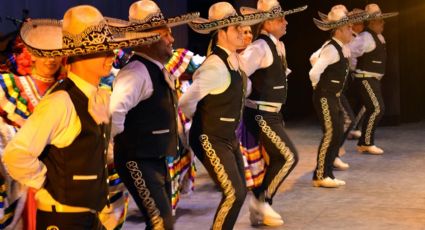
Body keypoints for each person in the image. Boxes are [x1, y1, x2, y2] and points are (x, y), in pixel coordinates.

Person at [2, 5, 159, 229]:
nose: (111, 55)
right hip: (63, 219)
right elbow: (16, 154)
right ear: (81, 54)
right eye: (103, 50)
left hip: (89, 216)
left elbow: (95, 157)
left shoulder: (100, 97)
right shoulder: (60, 102)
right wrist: (47, 183)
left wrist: (102, 206)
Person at [109, 1, 199, 229]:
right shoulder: (136, 72)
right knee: (161, 222)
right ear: (148, 40)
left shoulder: (155, 68)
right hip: (137, 159)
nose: (172, 39)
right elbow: (114, 112)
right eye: (165, 34)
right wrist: (119, 145)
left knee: (162, 221)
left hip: (152, 158)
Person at [179, 2, 266, 229]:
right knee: (233, 193)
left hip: (227, 136)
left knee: (238, 192)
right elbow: (186, 102)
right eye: (236, 28)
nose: (241, 32)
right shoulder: (215, 66)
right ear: (222, 32)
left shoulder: (234, 59)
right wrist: (204, 122)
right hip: (210, 137)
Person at [238, 0, 306, 226]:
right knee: (288, 156)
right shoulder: (259, 47)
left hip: (272, 114)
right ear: (267, 22)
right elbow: (239, 75)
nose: (285, 22)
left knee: (276, 159)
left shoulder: (278, 45)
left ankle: (261, 205)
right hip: (260, 114)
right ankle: (261, 201)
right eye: (280, 18)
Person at [0, 45, 63, 229]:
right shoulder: (11, 85)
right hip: (18, 178)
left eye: (56, 55)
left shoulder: (66, 91)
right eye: (45, 53)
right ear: (32, 56)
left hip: (56, 178)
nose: (51, 60)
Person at [309, 5, 367, 188]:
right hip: (325, 96)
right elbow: (314, 71)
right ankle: (320, 175)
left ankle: (328, 173)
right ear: (340, 29)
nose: (352, 30)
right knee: (330, 133)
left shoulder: (342, 47)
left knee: (338, 132)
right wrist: (319, 88)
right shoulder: (332, 48)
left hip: (333, 96)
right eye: (349, 27)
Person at [349, 3, 398, 155]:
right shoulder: (365, 38)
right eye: (380, 20)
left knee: (371, 107)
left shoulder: (379, 37)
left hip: (373, 79)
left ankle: (360, 135)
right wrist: (353, 69)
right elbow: (350, 52)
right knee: (377, 108)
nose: (383, 23)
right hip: (365, 78)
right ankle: (365, 143)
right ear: (371, 22)